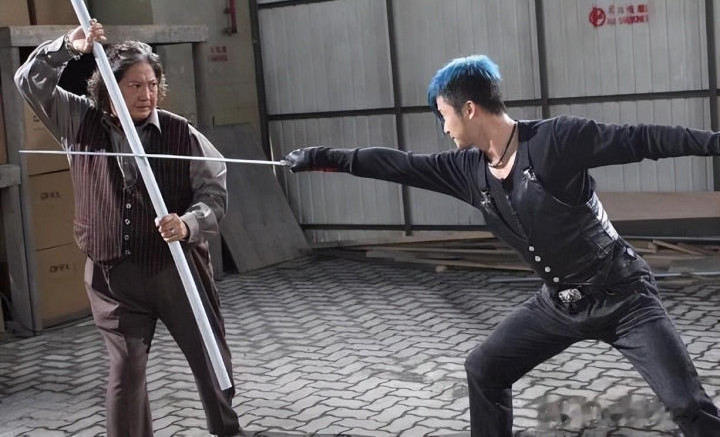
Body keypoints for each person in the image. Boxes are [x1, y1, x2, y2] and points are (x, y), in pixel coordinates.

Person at [283, 55, 720, 436]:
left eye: (444, 115)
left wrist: (714, 143)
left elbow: (644, 139)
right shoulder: (467, 170)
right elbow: (400, 164)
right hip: (560, 305)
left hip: (623, 297)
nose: (443, 127)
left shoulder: (556, 141)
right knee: (484, 369)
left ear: (469, 108)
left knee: (686, 404)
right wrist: (323, 157)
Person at [15, 21, 241, 436]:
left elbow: (214, 193)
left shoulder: (180, 132)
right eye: (135, 85)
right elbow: (29, 81)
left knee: (211, 361)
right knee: (125, 373)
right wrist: (68, 47)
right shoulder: (76, 120)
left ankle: (226, 429)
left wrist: (188, 223)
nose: (146, 94)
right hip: (111, 275)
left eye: (152, 85)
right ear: (108, 87)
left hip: (176, 270)